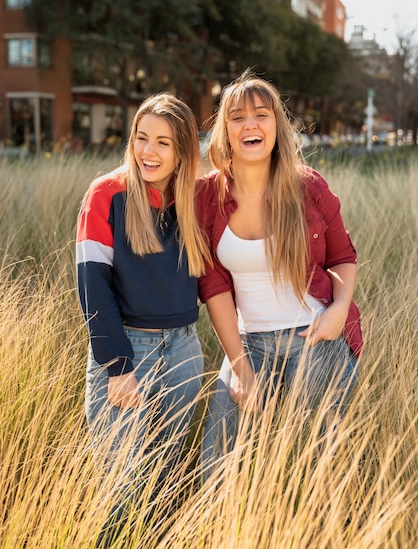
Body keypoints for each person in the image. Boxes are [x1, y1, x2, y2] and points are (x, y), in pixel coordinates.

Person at [195, 72, 363, 475]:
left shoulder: (308, 187)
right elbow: (213, 285)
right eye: (237, 117)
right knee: (217, 464)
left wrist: (339, 309)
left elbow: (342, 257)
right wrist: (239, 367)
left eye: (261, 114)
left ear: (276, 126)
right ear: (225, 131)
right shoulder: (206, 196)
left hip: (317, 338)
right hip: (248, 344)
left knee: (319, 468)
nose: (250, 124)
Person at [76, 92, 210, 543]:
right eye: (141, 138)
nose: (148, 152)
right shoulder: (107, 193)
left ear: (184, 151)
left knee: (165, 482)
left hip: (186, 350)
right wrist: (117, 366)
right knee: (120, 488)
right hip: (129, 353)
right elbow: (92, 285)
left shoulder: (192, 198)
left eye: (164, 143)